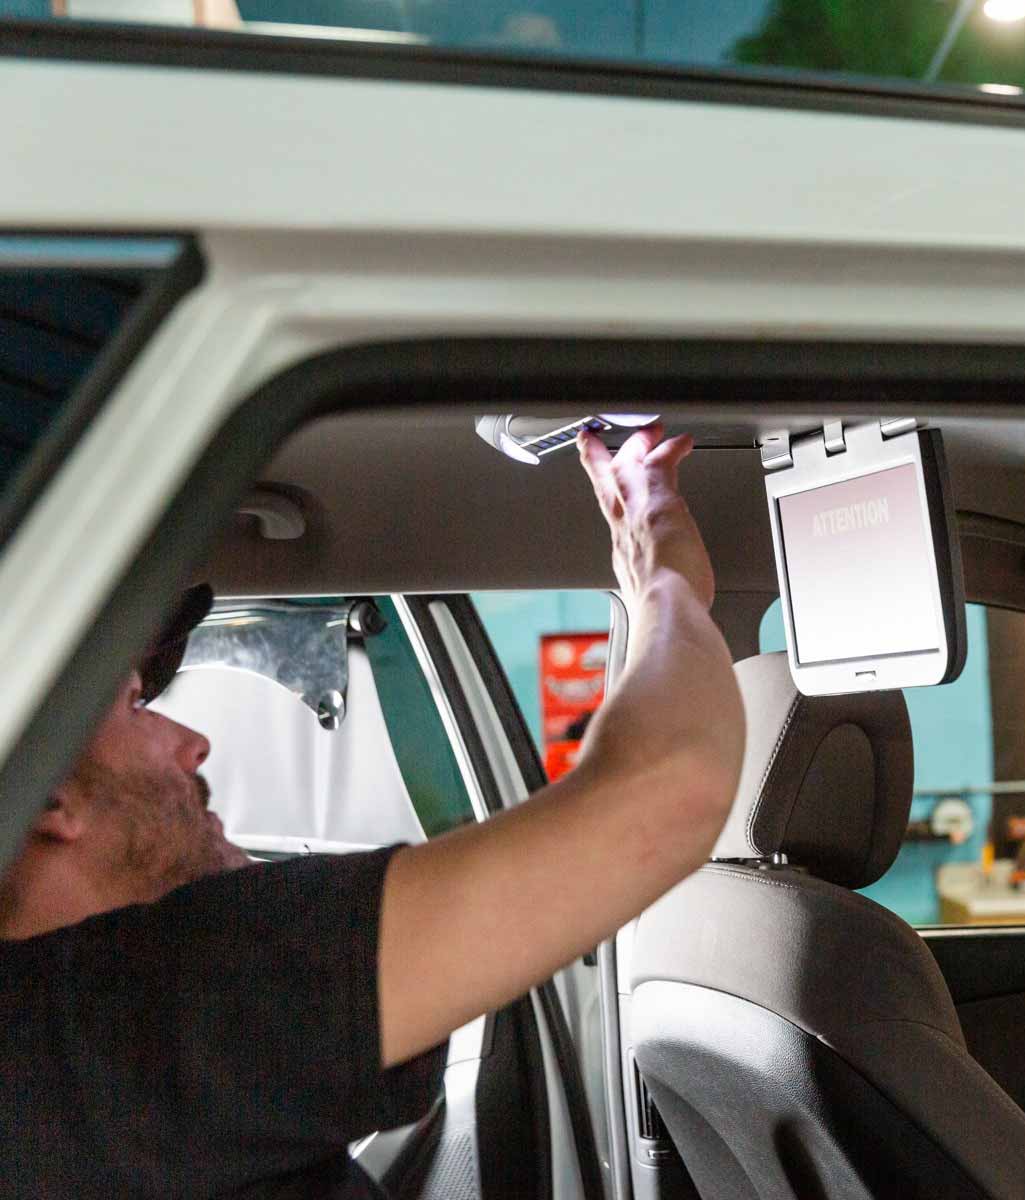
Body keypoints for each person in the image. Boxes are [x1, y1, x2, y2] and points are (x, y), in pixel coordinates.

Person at [0, 423, 745, 1199]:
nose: (193, 744)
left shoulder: (59, 1062)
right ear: (48, 789)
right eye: (134, 708)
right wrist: (664, 577)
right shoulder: (134, 1014)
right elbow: (668, 787)